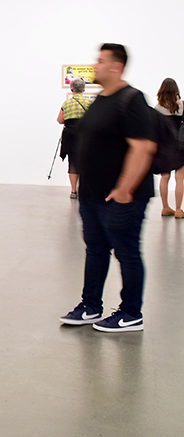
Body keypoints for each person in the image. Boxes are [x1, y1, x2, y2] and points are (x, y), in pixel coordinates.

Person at [60, 44, 157, 332]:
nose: (95, 66)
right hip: (92, 195)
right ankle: (90, 306)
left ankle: (131, 313)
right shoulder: (100, 99)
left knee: (126, 252)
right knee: (96, 250)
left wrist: (125, 189)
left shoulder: (132, 99)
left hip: (122, 196)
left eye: (100, 62)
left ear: (116, 67)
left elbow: (143, 148)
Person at [154, 78, 184, 218]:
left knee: (164, 177)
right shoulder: (181, 106)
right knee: (180, 178)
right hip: (180, 146)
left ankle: (165, 207)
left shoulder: (157, 108)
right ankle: (178, 210)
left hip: (164, 147)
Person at [57, 78, 92, 198]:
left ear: (72, 89)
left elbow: (60, 120)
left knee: (72, 162)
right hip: (85, 135)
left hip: (70, 135)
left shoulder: (66, 103)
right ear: (83, 89)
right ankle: (85, 190)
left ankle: (73, 191)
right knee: (87, 161)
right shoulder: (89, 103)